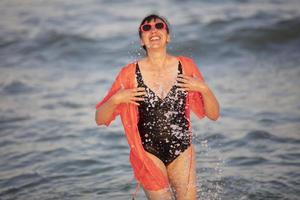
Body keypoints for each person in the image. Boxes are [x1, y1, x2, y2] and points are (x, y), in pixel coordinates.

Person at [95, 14, 220, 200]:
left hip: (182, 150)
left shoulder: (185, 66)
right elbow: (100, 117)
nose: (153, 30)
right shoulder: (129, 73)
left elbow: (214, 114)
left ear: (167, 36)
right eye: (146, 28)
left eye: (159, 25)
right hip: (148, 153)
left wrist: (204, 88)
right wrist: (116, 99)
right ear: (141, 40)